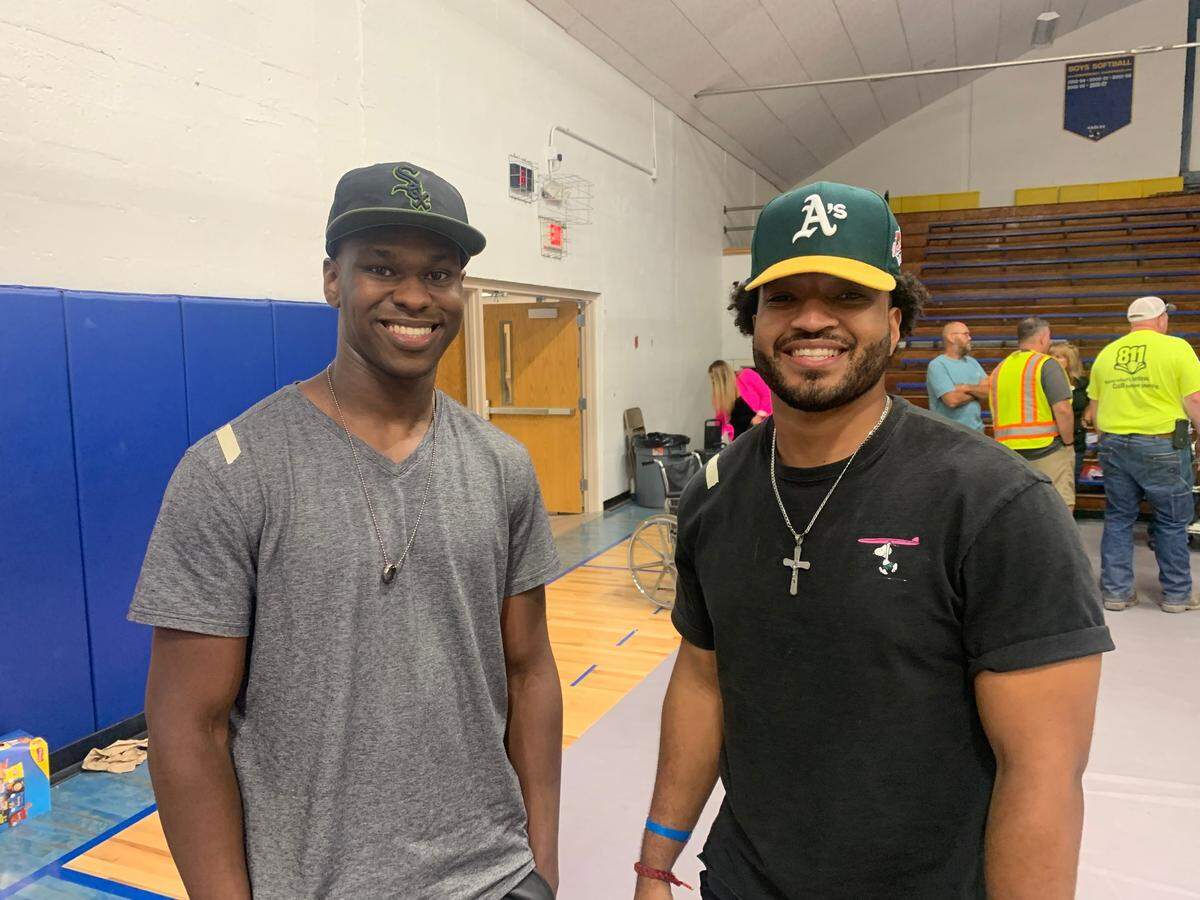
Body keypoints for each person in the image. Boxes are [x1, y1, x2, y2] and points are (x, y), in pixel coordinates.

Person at [632, 181, 1112, 900]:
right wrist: (655, 862)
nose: (812, 320)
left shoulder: (993, 502)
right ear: (753, 320)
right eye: (785, 298)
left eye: (847, 297)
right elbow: (702, 681)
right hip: (742, 881)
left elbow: (1042, 771)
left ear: (895, 321)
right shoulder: (715, 492)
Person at [129, 162, 562, 899]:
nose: (415, 296)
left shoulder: (502, 465)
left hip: (496, 877)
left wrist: (542, 868)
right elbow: (184, 727)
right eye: (382, 267)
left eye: (441, 273)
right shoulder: (232, 470)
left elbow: (530, 673)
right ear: (334, 279)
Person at [1085, 295, 1200, 614]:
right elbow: (1195, 400)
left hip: (1114, 445)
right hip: (1162, 444)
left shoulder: (1107, 354)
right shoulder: (1177, 348)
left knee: (1119, 517)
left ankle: (1116, 593)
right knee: (1172, 520)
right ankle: (1177, 595)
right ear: (1161, 319)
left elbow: (1093, 411)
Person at [989, 317, 1077, 511]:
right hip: (1047, 450)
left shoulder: (1000, 368)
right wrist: (1069, 442)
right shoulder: (1046, 364)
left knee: (1022, 509)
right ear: (1044, 337)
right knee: (1058, 509)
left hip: (1009, 452)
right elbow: (1062, 409)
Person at [925, 320, 989, 430]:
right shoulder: (938, 365)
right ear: (951, 337)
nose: (970, 338)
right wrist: (977, 391)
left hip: (977, 432)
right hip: (949, 435)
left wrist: (966, 388)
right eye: (965, 334)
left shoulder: (972, 362)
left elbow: (989, 391)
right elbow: (952, 400)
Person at [1049, 341, 1090, 485]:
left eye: (1059, 356)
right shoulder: (1044, 382)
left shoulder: (1082, 384)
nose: (1054, 360)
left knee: (1070, 486)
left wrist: (1087, 413)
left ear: (1070, 360)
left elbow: (1092, 402)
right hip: (1051, 443)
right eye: (1051, 356)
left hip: (1075, 442)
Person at [708, 360, 772, 442]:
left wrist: (759, 415)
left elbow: (767, 394)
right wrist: (718, 437)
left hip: (759, 432)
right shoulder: (720, 397)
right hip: (739, 439)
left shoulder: (747, 375)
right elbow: (720, 420)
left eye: (714, 379)